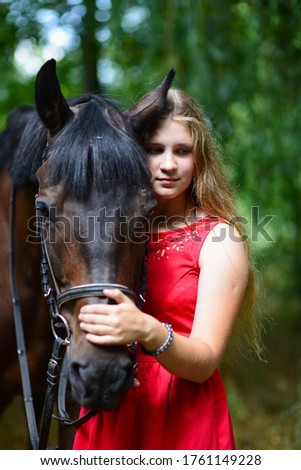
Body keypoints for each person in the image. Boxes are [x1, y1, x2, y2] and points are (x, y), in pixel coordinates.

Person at [72, 87, 261, 450]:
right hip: (114, 404)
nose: (169, 164)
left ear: (199, 157)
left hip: (181, 416)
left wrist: (148, 330)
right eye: (154, 149)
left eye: (182, 151)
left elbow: (204, 362)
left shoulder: (220, 240)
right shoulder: (117, 232)